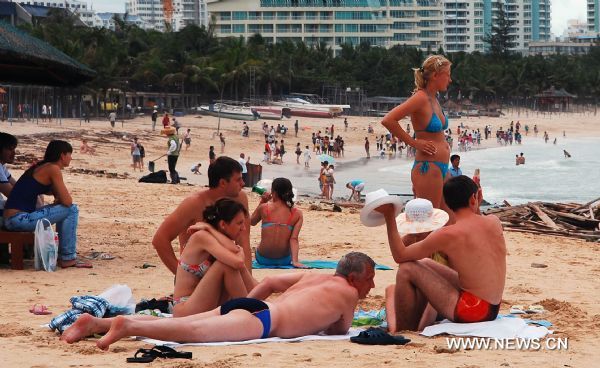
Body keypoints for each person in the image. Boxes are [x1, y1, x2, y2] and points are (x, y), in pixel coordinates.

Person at [60, 252, 376, 349]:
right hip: (265, 321)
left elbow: (268, 281)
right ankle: (126, 326)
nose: (371, 285)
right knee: (192, 333)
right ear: (353, 278)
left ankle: (95, 323)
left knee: (181, 322)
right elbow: (339, 330)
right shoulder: (348, 293)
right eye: (369, 278)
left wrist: (245, 306)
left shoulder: (313, 276)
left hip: (256, 308)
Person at [378, 176, 506, 332]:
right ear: (475, 198)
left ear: (448, 203)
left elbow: (400, 256)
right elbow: (475, 223)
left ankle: (405, 330)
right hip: (492, 308)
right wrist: (476, 201)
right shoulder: (494, 221)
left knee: (406, 268)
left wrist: (389, 217)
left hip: (472, 310)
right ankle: (414, 324)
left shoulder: (448, 234)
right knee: (424, 263)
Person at [152, 157, 252, 274]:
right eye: (238, 180)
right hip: (196, 272)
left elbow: (244, 241)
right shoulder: (194, 204)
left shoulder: (240, 199)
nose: (243, 183)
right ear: (223, 183)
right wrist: (181, 274)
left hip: (225, 270)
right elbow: (160, 240)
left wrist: (248, 280)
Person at [381, 55, 452, 215]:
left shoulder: (434, 98)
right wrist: (414, 143)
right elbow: (388, 120)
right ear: (435, 75)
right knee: (427, 223)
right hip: (428, 168)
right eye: (447, 74)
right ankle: (400, 241)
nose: (450, 79)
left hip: (441, 167)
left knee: (448, 219)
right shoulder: (420, 98)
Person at [3, 140, 92, 268]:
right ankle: (67, 257)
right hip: (18, 219)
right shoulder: (52, 169)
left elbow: (59, 197)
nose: (71, 158)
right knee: (72, 209)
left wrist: (59, 199)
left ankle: (66, 256)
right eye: (70, 154)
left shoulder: (44, 166)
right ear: (62, 155)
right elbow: (67, 201)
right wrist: (60, 199)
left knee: (69, 208)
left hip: (14, 218)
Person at [170, 198, 257, 316]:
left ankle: (252, 309)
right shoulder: (201, 236)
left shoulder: (217, 239)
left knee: (231, 264)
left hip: (202, 305)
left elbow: (252, 285)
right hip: (185, 308)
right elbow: (238, 261)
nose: (243, 228)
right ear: (222, 224)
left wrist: (210, 228)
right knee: (226, 265)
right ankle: (250, 312)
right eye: (239, 223)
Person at [251, 178, 304, 268]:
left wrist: (262, 201)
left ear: (273, 192)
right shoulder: (297, 213)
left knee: (257, 247)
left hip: (263, 259)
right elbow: (294, 239)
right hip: (284, 260)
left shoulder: (264, 208)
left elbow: (252, 221)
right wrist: (295, 261)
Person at [0, 133, 18, 230]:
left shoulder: (2, 166)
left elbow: (17, 186)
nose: (14, 153)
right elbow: (12, 195)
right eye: (10, 149)